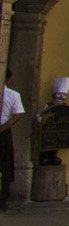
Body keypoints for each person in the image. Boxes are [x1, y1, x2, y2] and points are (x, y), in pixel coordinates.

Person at [0, 67, 23, 212]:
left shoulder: (11, 94)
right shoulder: (13, 94)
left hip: (3, 132)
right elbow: (17, 114)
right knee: (4, 166)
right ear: (8, 79)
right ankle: (2, 200)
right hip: (3, 132)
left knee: (4, 165)